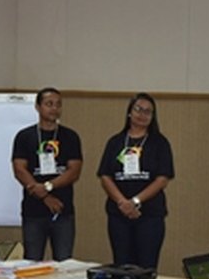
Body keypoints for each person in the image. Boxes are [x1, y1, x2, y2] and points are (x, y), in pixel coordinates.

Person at [97, 93, 174, 269]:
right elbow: (105, 176)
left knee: (147, 266)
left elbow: (162, 179)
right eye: (138, 109)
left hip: (149, 215)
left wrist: (135, 202)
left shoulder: (160, 143)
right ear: (129, 112)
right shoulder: (115, 141)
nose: (142, 114)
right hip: (119, 215)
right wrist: (123, 203)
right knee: (122, 265)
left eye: (148, 112)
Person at [11, 87, 83, 261]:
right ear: (37, 107)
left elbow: (74, 171)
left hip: (63, 211)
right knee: (32, 262)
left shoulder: (70, 136)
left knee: (64, 262)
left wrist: (48, 186)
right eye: (49, 104)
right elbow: (20, 169)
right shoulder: (24, 136)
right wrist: (45, 196)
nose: (54, 108)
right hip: (33, 212)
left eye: (58, 104)